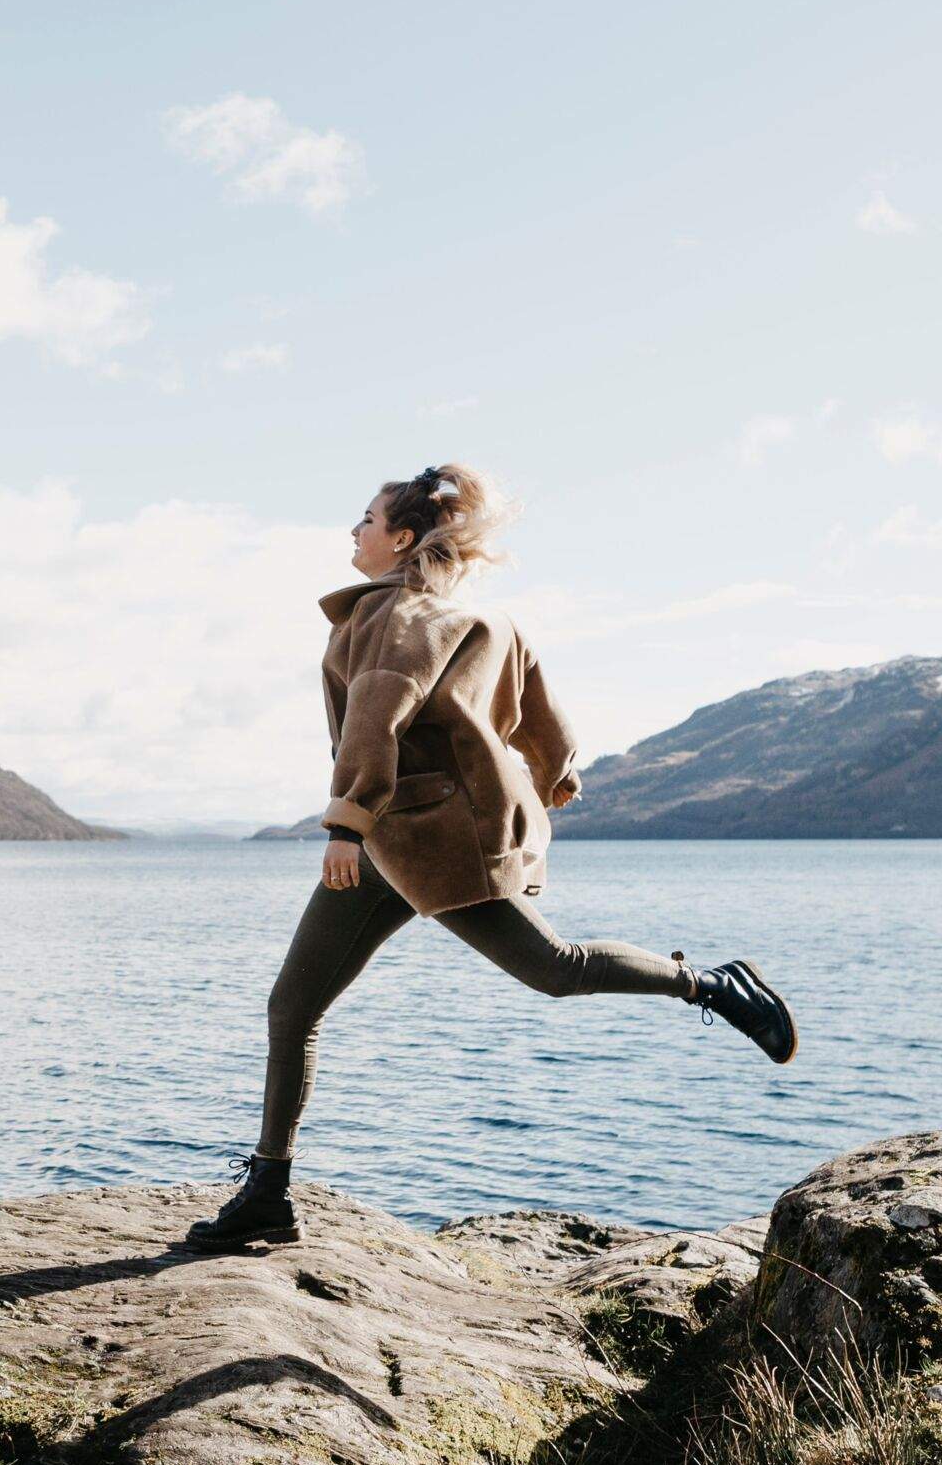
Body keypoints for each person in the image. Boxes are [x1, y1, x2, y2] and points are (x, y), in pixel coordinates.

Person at [180, 462, 798, 1254]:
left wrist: (344, 823)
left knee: (554, 967)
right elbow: (534, 691)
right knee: (292, 1007)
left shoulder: (395, 615)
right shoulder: (470, 617)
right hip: (392, 842)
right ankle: (268, 1192)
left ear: (403, 538)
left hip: (427, 842)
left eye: (365, 521)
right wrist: (556, 764)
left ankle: (707, 983)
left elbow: (379, 711)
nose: (354, 532)